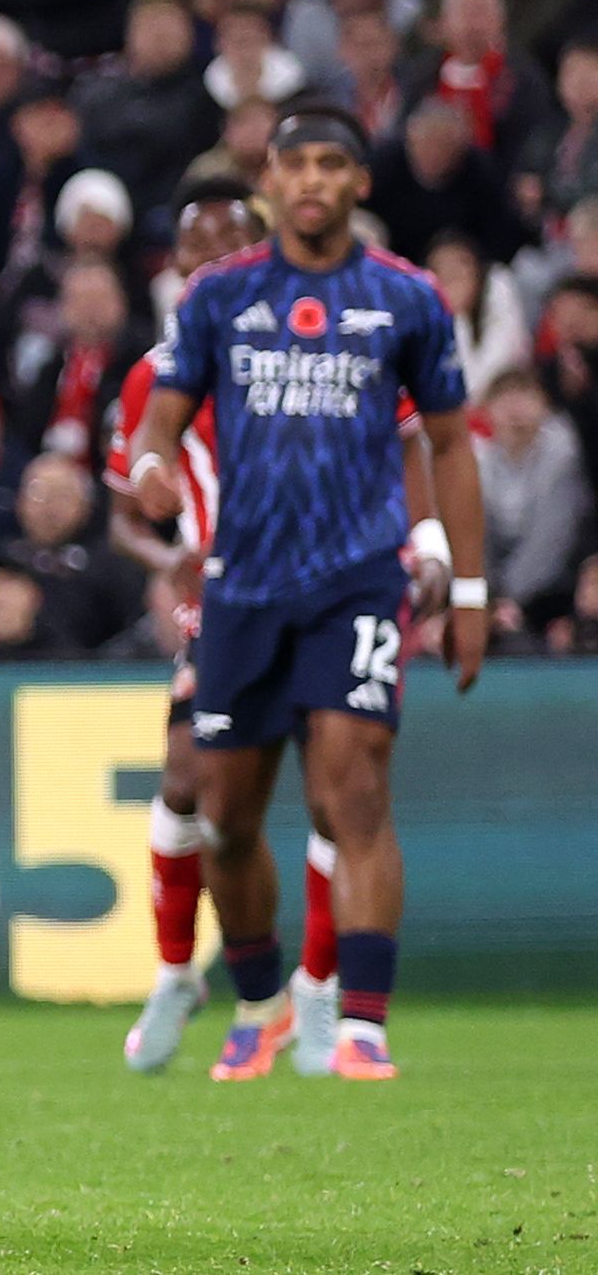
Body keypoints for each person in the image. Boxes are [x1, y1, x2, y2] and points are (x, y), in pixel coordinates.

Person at [128, 109, 489, 1085]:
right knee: (226, 817)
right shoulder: (216, 302)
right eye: (298, 164)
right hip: (243, 588)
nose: (316, 180)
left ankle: (363, 1024)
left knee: (353, 789)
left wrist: (468, 585)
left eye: (334, 162)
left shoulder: (406, 300)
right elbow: (154, 426)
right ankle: (262, 998)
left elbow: (446, 444)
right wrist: (154, 469)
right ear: (275, 182)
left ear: (359, 182)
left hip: (358, 581)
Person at [97, 176, 356, 1074]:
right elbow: (127, 507)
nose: (209, 257)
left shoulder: (314, 345)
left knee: (335, 792)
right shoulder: (154, 373)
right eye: (194, 243)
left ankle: (317, 991)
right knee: (189, 781)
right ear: (174, 265)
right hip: (227, 598)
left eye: (228, 241)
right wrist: (163, 554)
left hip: (329, 588)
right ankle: (182, 971)